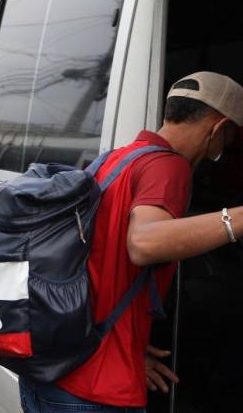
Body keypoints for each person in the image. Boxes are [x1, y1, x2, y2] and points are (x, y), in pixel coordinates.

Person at [19, 72, 243, 413]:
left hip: (53, 370)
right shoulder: (170, 167)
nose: (227, 146)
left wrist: (129, 343)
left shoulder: (115, 159)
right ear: (218, 127)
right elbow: (144, 243)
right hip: (94, 390)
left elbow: (95, 264)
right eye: (231, 135)